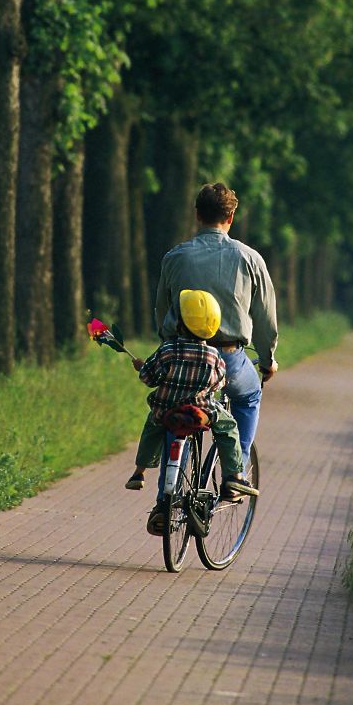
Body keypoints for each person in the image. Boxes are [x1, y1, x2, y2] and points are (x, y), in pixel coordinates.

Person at [154, 181, 279, 469]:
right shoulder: (251, 259)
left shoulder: (174, 257)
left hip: (182, 355)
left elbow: (162, 310)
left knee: (178, 411)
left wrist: (168, 349)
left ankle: (165, 499)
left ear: (197, 214)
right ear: (231, 218)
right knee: (248, 398)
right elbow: (265, 318)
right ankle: (236, 473)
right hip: (229, 358)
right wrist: (268, 360)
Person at [125, 287, 259, 536]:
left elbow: (149, 378)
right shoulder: (213, 356)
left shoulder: (167, 350)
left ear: (179, 323)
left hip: (166, 411)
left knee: (152, 428)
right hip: (201, 412)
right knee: (228, 428)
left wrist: (141, 367)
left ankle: (140, 472)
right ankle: (234, 475)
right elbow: (219, 384)